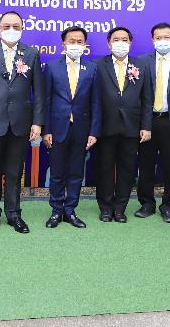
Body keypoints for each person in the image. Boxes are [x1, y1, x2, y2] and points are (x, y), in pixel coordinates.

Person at [0, 11, 44, 234]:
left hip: (21, 122)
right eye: (7, 26)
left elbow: (39, 92)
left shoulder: (31, 53)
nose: (11, 30)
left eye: (16, 26)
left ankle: (14, 214)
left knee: (14, 172)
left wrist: (37, 122)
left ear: (22, 28)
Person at [42, 27, 100, 229]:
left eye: (79, 41)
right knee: (57, 173)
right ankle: (56, 211)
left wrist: (94, 132)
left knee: (76, 173)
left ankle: (70, 211)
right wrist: (46, 130)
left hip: (82, 129)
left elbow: (96, 103)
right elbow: (46, 100)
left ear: (85, 45)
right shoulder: (52, 67)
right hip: (57, 128)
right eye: (71, 41)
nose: (75, 44)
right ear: (63, 44)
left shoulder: (92, 68)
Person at [95, 27, 152, 223]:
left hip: (131, 127)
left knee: (127, 170)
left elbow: (147, 99)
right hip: (105, 127)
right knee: (104, 169)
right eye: (116, 39)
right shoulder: (98, 65)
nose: (120, 43)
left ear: (130, 43)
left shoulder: (141, 66)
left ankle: (120, 209)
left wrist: (146, 126)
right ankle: (105, 208)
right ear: (109, 43)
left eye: (124, 39)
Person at [136, 22, 170, 223]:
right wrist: (143, 123)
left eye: (166, 37)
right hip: (148, 121)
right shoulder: (142, 61)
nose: (162, 41)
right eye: (158, 38)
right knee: (146, 165)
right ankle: (147, 204)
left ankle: (168, 206)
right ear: (152, 40)